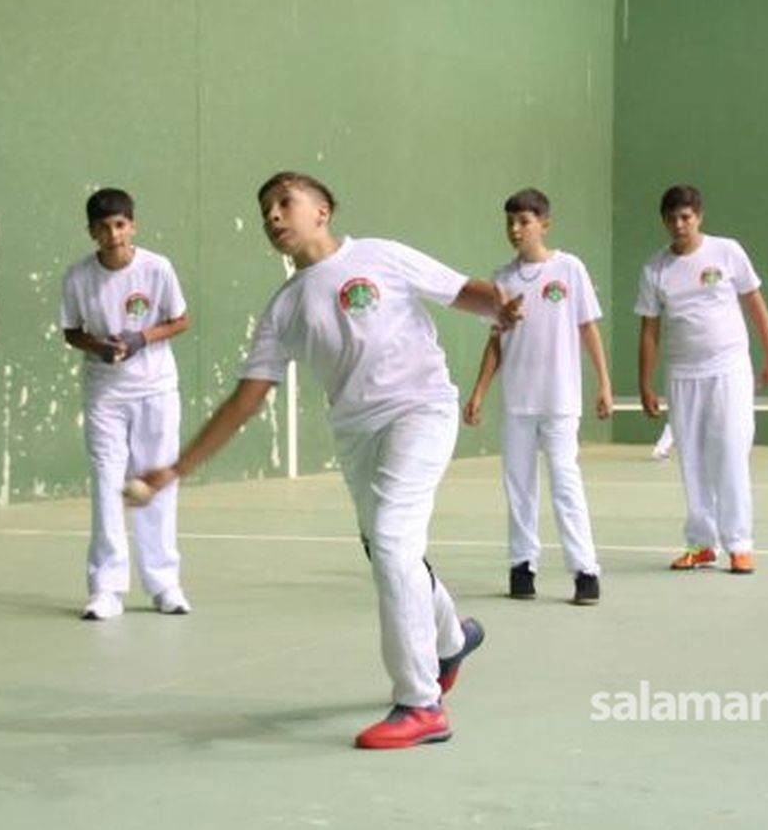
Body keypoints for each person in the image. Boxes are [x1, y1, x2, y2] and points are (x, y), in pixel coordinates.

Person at [135, 171, 521, 749]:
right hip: (355, 434)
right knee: (389, 550)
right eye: (265, 210)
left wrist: (500, 306)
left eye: (283, 203)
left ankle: (420, 704)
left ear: (323, 210)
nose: (272, 216)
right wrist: (176, 469)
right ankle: (450, 637)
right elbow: (246, 399)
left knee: (391, 542)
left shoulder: (380, 255)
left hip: (421, 410)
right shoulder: (285, 307)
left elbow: (460, 290)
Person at [463, 188, 612, 605]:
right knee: (518, 485)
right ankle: (521, 566)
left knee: (565, 481)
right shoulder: (501, 280)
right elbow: (495, 341)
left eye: (524, 222)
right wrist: (478, 392)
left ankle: (585, 571)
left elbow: (588, 328)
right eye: (510, 222)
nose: (515, 230)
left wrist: (602, 383)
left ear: (544, 223)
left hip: (561, 399)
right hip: (516, 401)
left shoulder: (569, 269)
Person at [60, 187, 192, 620]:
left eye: (119, 224)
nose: (113, 234)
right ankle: (106, 589)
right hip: (105, 394)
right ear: (91, 232)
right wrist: (98, 346)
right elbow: (71, 331)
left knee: (157, 483)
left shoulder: (158, 268)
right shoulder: (78, 277)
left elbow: (180, 320)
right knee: (105, 483)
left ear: (132, 225)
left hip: (156, 391)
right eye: (103, 227)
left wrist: (141, 338)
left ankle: (164, 584)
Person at [635, 185, 768, 575]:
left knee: (731, 451)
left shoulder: (727, 251)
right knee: (693, 461)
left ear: (699, 216)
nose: (679, 225)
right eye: (671, 219)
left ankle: (739, 544)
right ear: (664, 222)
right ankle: (702, 544)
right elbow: (649, 330)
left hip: (729, 369)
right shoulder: (655, 269)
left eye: (686, 217)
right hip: (683, 375)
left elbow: (755, 305)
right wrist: (645, 383)